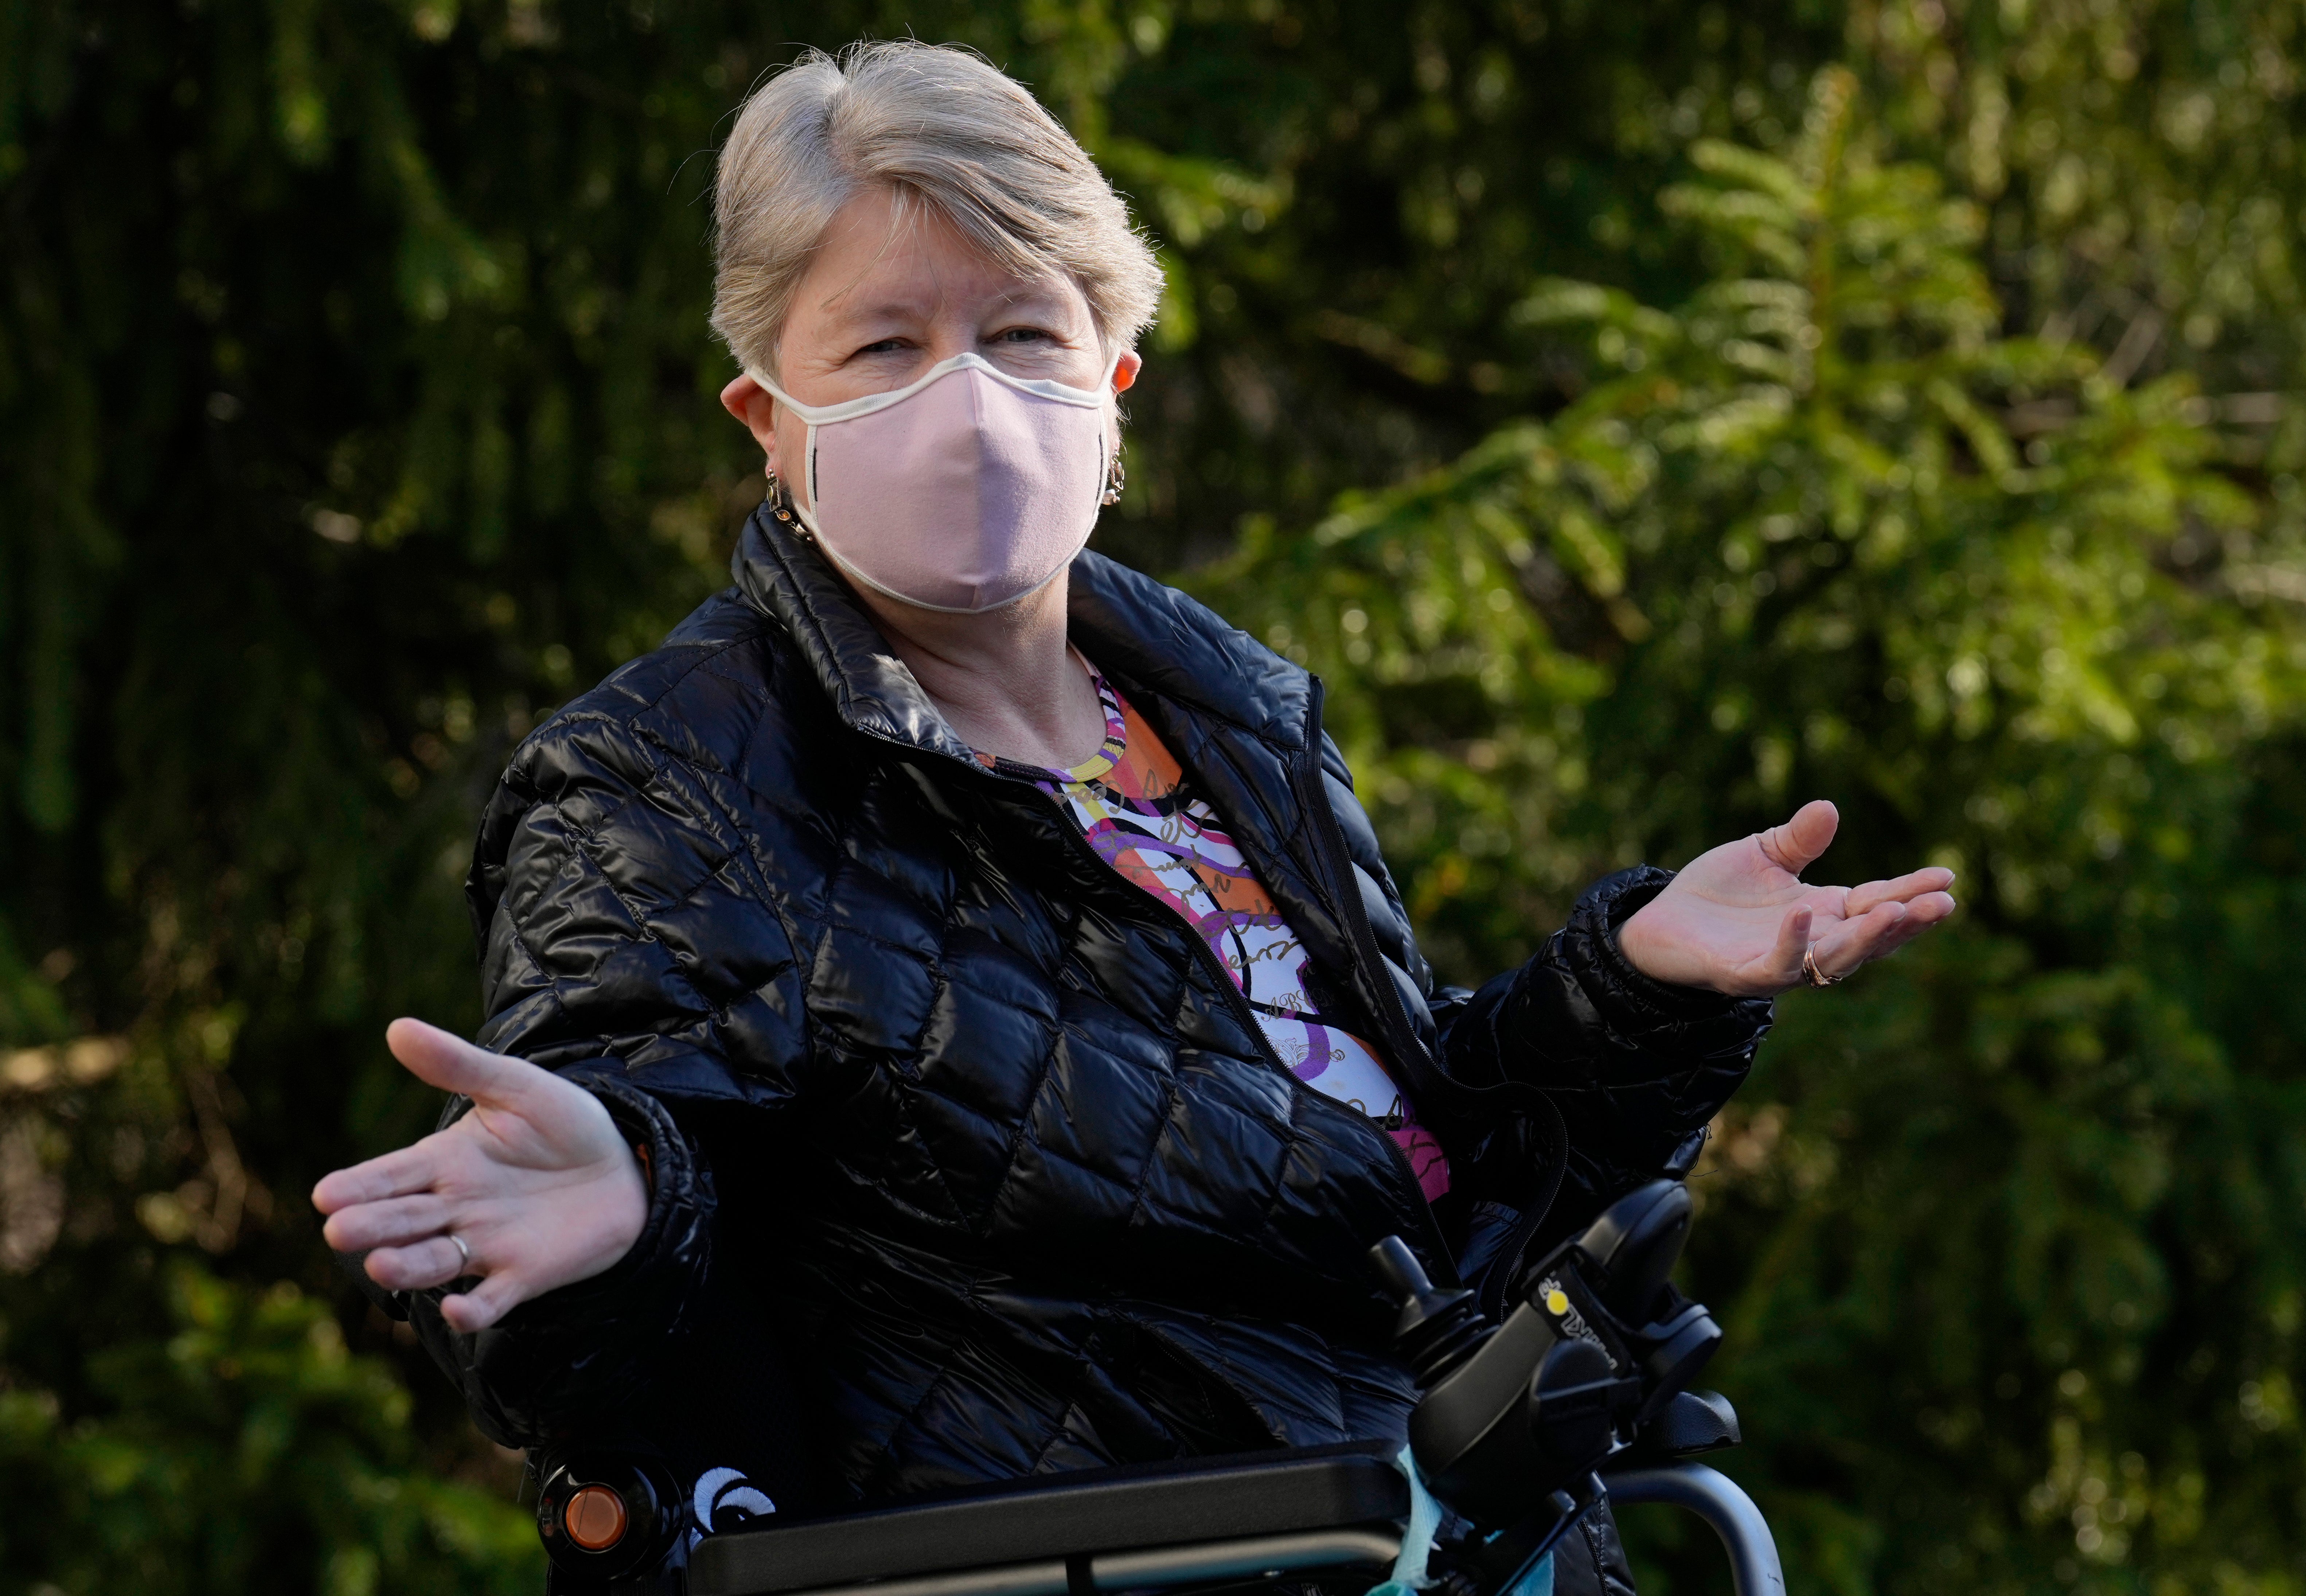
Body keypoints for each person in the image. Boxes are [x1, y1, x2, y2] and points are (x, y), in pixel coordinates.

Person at [313, 40, 1955, 1591]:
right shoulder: (663, 782)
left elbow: (1426, 1201)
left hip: (1434, 1542)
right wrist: (634, 1201)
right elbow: (596, 1356)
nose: (963, 398)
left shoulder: (1228, 714)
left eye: (1022, 335)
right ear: (770, 421)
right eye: (884, 346)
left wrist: (1639, 993)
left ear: (1112, 384)